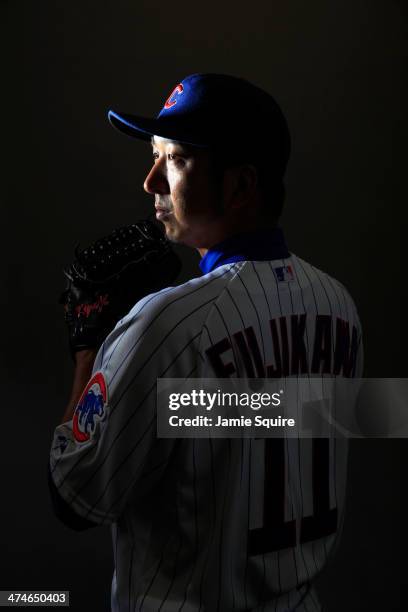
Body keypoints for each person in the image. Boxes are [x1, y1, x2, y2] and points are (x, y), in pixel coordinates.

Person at [49, 73, 363, 611]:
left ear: (241, 186)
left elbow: (76, 496)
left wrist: (90, 353)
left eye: (175, 161)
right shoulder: (340, 307)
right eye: (154, 157)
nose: (150, 181)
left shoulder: (165, 323)